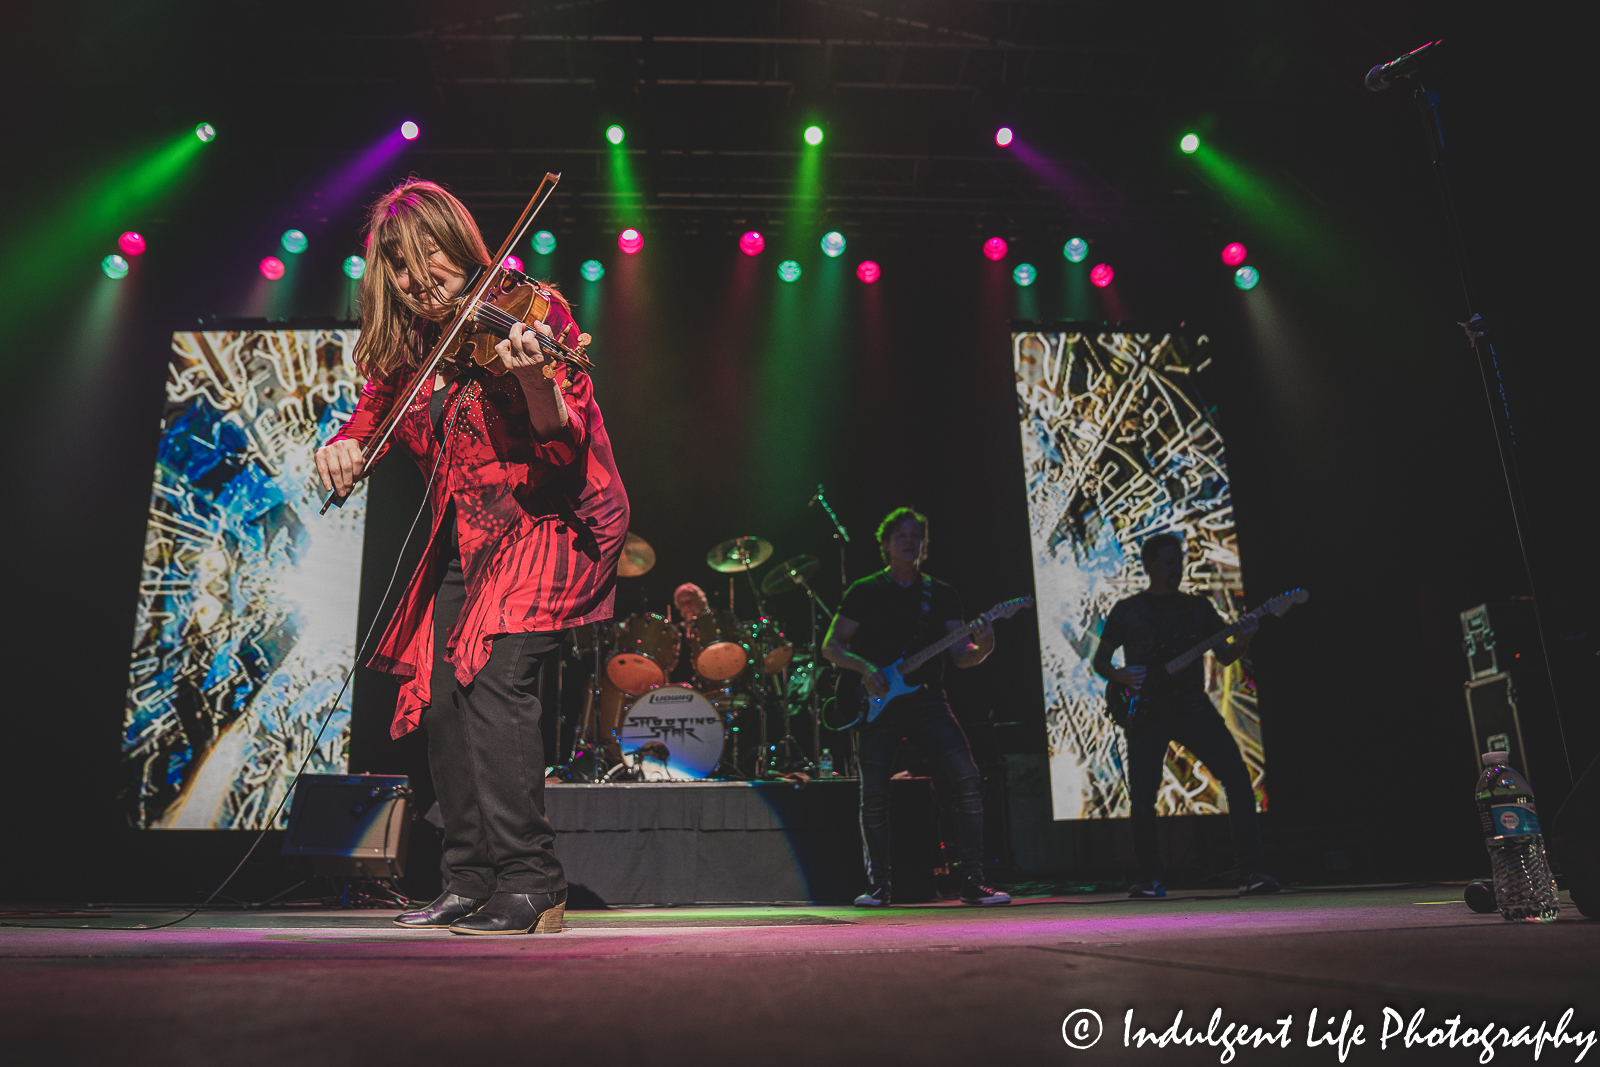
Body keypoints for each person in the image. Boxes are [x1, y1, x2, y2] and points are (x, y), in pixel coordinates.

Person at [315, 180, 629, 934]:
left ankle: (532, 881)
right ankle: (469, 876)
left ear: (463, 247)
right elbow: (374, 409)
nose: (422, 278)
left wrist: (530, 378)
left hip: (552, 519)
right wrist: (346, 445)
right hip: (470, 534)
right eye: (401, 265)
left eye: (434, 258)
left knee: (492, 674)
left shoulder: (532, 310)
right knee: (445, 695)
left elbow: (563, 440)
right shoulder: (412, 344)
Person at [823, 507, 1010, 907]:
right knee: (873, 794)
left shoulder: (941, 594)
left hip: (926, 697)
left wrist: (986, 643)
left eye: (917, 536)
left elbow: (962, 656)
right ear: (886, 544)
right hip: (877, 702)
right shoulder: (865, 590)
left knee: (967, 777)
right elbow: (831, 646)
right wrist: (866, 668)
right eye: (902, 535)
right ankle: (879, 886)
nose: (911, 541)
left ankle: (973, 881)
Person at [1092, 532, 1278, 898]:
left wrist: (1244, 637)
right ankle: (1150, 878)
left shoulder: (1197, 608)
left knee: (1239, 779)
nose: (1174, 568)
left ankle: (1250, 872)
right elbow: (1101, 660)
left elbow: (1224, 656)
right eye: (1167, 562)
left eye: (1178, 561)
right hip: (1146, 712)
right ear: (1148, 565)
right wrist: (1119, 674)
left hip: (1192, 706)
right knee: (1143, 797)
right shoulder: (1127, 610)